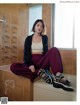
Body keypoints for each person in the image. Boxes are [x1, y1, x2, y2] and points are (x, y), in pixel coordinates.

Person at [10, 19, 74, 91]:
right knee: (13, 66)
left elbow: (46, 53)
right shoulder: (28, 38)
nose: (39, 27)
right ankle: (40, 72)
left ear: (43, 28)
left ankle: (58, 76)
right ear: (34, 26)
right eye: (38, 25)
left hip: (41, 61)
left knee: (54, 49)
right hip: (32, 63)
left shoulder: (44, 38)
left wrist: (46, 65)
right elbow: (26, 54)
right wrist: (30, 65)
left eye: (42, 26)